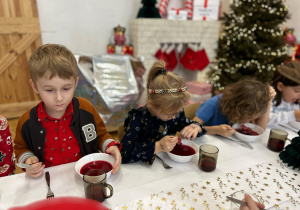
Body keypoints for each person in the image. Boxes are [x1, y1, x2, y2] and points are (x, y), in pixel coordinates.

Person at [13, 44, 121, 178]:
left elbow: (100, 134)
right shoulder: (27, 122)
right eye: (49, 90)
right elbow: (21, 147)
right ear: (34, 86)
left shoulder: (86, 108)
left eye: (66, 89)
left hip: (87, 176)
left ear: (75, 83)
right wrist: (28, 160)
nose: (59, 98)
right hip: (48, 181)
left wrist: (110, 146)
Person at [120, 60, 206, 164]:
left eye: (177, 113)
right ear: (151, 104)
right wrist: (158, 146)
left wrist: (194, 128)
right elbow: (123, 153)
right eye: (169, 114)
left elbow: (190, 124)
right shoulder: (139, 117)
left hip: (168, 164)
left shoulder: (175, 113)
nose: (174, 117)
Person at [193, 79, 276, 137]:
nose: (247, 122)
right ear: (238, 107)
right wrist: (215, 130)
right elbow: (189, 127)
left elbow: (260, 129)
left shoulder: (250, 108)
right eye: (248, 118)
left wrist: (269, 100)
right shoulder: (213, 104)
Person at [268, 61, 300, 127]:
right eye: (297, 91)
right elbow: (262, 120)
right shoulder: (269, 98)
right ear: (280, 86)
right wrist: (292, 115)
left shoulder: (295, 103)